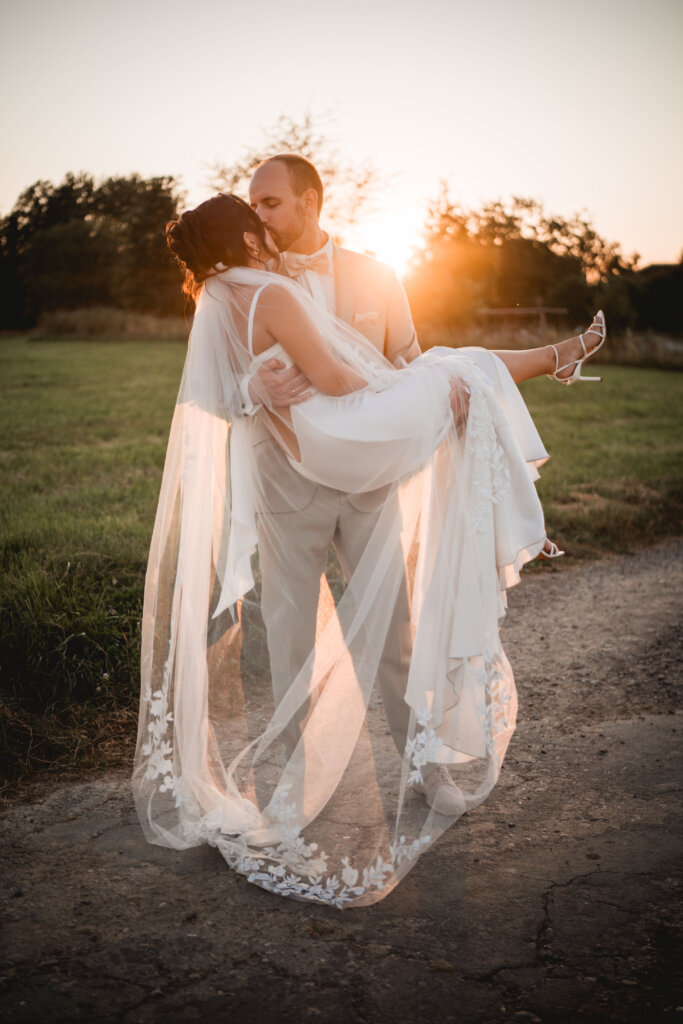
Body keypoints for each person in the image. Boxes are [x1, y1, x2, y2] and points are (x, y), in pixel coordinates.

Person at [132, 191, 606, 909]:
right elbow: (328, 379)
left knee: (380, 624)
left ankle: (403, 772)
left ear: (306, 199)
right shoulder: (263, 289)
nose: (266, 222)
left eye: (273, 203)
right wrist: (381, 389)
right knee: (460, 370)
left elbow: (231, 389)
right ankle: (315, 783)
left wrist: (260, 384)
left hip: (334, 468)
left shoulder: (233, 293)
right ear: (246, 236)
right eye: (255, 213)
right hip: (324, 459)